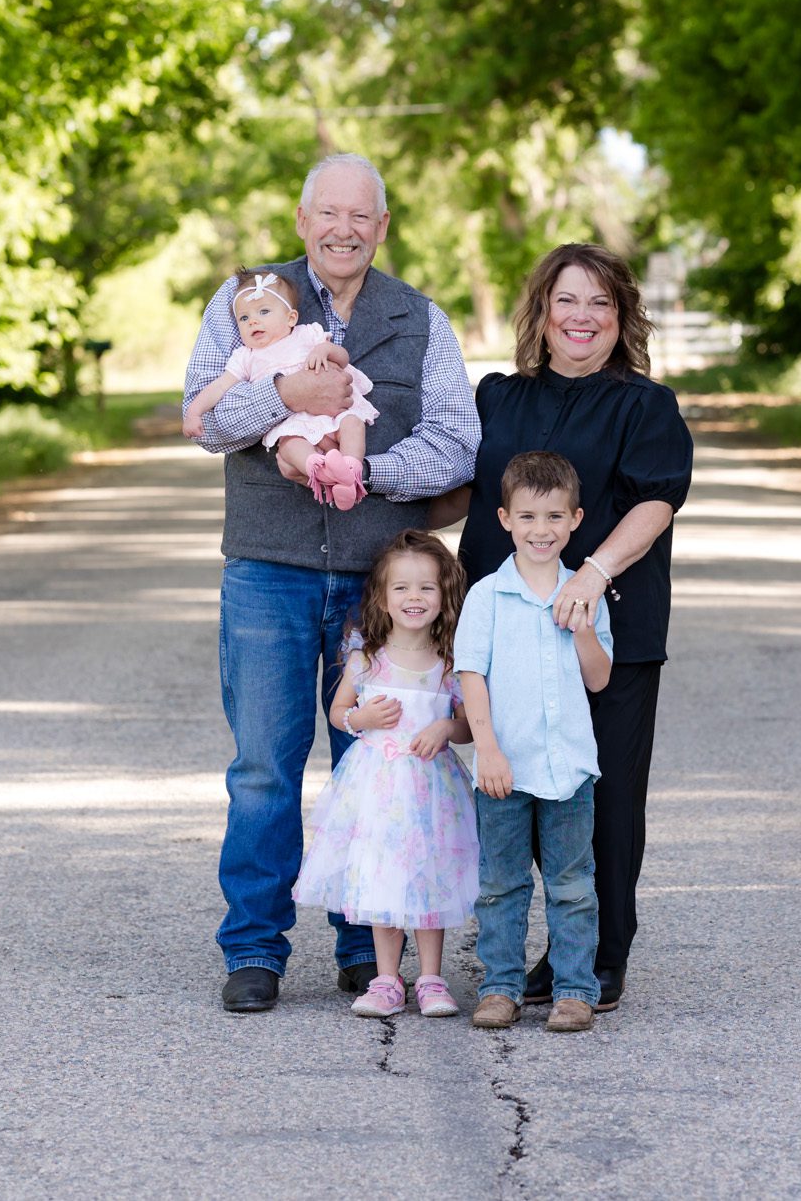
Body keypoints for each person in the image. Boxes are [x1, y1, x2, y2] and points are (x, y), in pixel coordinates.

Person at [184, 153, 480, 1014]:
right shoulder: (246, 300)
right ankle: (253, 950)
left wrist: (364, 471)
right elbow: (206, 420)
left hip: (379, 588)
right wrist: (284, 391)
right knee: (264, 769)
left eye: (362, 216)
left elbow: (457, 442)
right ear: (303, 218)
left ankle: (369, 948)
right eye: (329, 214)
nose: (344, 229)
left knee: (378, 760)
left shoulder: (419, 319)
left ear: (383, 227)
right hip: (266, 572)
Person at [441, 243, 692, 1015]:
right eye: (568, 301)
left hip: (605, 629)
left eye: (601, 304)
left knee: (604, 795)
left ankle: (597, 956)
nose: (583, 317)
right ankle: (519, 958)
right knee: (511, 786)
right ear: (542, 313)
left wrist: (595, 571)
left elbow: (657, 501)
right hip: (506, 632)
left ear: (622, 319)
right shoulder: (496, 398)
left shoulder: (645, 406)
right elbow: (463, 492)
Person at [455, 451, 614, 1033]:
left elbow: (599, 678)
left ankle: (575, 989)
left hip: (568, 767)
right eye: (527, 517)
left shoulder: (583, 594)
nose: (540, 530)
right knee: (500, 883)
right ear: (504, 519)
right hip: (504, 766)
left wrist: (586, 631)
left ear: (575, 519)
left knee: (572, 883)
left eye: (553, 517)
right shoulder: (486, 598)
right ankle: (501, 986)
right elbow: (471, 675)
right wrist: (487, 749)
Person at [293, 531, 479, 1018]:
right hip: (378, 788)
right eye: (401, 588)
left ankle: (432, 979)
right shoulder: (366, 659)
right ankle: (386, 979)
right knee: (383, 878)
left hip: (432, 788)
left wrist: (446, 725)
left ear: (445, 596)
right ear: (381, 596)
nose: (414, 599)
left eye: (426, 588)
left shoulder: (450, 663)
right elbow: (338, 714)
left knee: (429, 877)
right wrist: (363, 719)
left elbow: (469, 727)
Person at [182, 268, 379, 510]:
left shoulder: (306, 335)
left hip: (334, 413)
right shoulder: (245, 357)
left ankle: (350, 471)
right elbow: (218, 387)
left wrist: (324, 350)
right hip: (294, 422)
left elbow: (342, 357)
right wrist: (194, 412)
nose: (253, 321)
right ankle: (319, 470)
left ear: (291, 318)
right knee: (289, 445)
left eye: (264, 312)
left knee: (353, 423)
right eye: (244, 318)